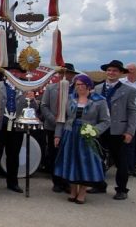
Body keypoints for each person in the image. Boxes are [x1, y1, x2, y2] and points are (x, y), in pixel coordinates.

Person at [54, 74, 110, 204]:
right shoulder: (69, 99)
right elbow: (62, 118)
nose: (79, 87)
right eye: (77, 85)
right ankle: (73, 190)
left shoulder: (99, 100)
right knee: (71, 161)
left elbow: (106, 121)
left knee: (85, 163)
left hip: (87, 135)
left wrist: (94, 131)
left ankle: (82, 192)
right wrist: (58, 135)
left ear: (89, 85)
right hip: (70, 134)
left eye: (81, 84)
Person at [91, 60, 136, 200]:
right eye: (109, 70)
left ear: (121, 73)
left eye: (115, 71)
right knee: (98, 158)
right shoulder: (97, 89)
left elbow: (132, 112)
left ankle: (122, 189)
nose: (111, 73)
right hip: (100, 129)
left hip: (118, 130)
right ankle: (99, 184)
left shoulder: (129, 90)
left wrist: (130, 131)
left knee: (120, 161)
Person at [0, 78, 29, 193]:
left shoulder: (24, 86)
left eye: (16, 72)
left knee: (14, 155)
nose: (13, 74)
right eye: (11, 71)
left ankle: (12, 182)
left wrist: (32, 99)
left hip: (16, 126)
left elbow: (32, 107)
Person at [41, 63, 78, 193]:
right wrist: (54, 120)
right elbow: (44, 106)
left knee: (68, 154)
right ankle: (56, 181)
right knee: (54, 154)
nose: (64, 76)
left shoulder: (77, 90)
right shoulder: (51, 88)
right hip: (52, 126)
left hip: (71, 128)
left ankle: (67, 181)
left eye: (67, 73)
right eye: (62, 73)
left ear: (72, 75)